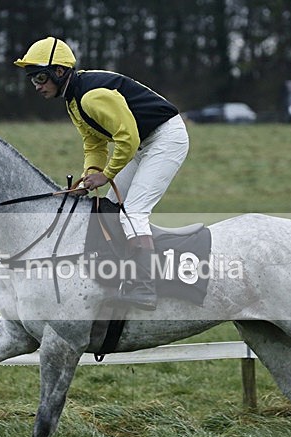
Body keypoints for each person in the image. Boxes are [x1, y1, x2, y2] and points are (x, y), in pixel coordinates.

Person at [14, 37, 189, 311]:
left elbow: (127, 138)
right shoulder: (73, 100)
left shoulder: (90, 96)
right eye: (32, 79)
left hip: (165, 138)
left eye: (40, 77)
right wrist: (90, 175)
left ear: (59, 71)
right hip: (143, 143)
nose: (36, 85)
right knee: (108, 209)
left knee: (133, 212)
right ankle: (119, 274)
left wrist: (106, 174)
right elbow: (94, 144)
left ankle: (145, 287)